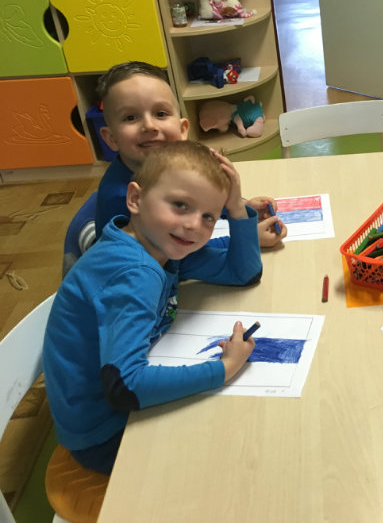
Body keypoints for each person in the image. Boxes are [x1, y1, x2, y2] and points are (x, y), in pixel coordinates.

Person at [43, 141, 263, 475]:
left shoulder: (156, 242)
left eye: (208, 216)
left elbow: (243, 273)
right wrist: (224, 369)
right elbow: (125, 387)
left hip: (115, 404)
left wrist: (236, 209)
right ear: (135, 199)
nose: (194, 225)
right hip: (105, 433)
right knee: (234, 451)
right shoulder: (135, 273)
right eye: (180, 205)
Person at [95, 61, 286, 246]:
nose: (149, 126)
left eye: (160, 114)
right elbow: (181, 257)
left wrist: (241, 207)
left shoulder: (175, 167)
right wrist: (246, 239)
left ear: (183, 129)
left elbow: (198, 200)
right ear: (111, 138)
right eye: (130, 117)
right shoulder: (122, 200)